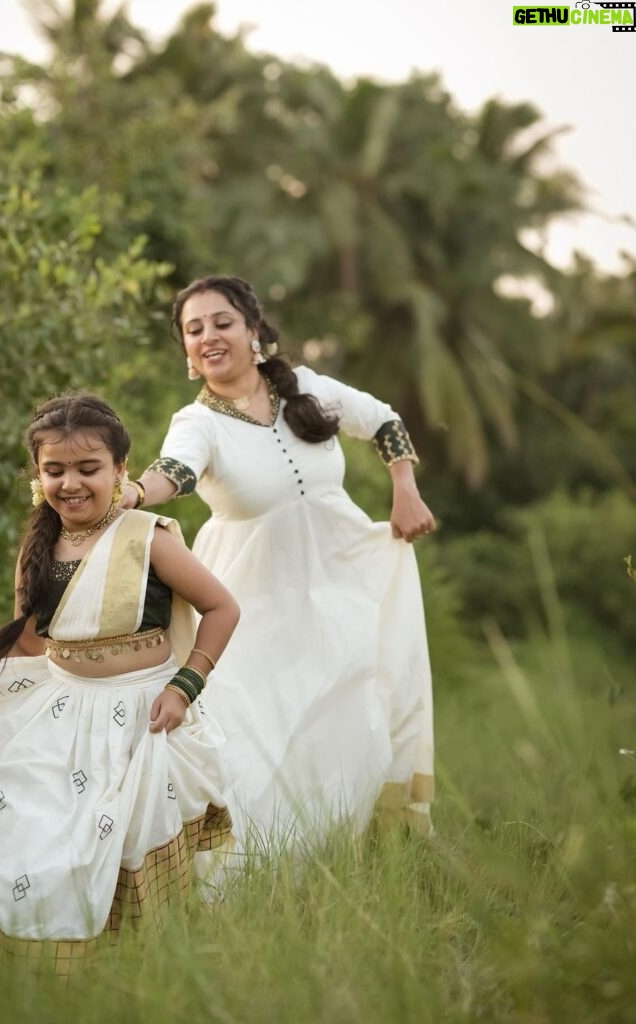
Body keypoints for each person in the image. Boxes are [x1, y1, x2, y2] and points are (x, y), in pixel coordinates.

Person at [0, 392, 239, 976]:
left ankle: (151, 973)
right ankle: (58, 971)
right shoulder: (38, 549)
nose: (71, 483)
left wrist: (185, 686)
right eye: (55, 470)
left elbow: (222, 608)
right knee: (45, 843)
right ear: (37, 476)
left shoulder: (150, 537)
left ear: (121, 470)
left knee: (128, 843)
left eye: (88, 468)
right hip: (62, 713)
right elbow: (32, 641)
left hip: (143, 717)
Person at [120, 275, 436, 844]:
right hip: (256, 601)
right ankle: (252, 858)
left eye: (222, 323)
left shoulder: (305, 388)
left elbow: (385, 420)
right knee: (260, 730)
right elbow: (175, 471)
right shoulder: (198, 423)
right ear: (188, 355)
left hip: (344, 580)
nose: (209, 336)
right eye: (194, 330)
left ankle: (353, 845)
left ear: (253, 330)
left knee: (354, 714)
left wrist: (405, 490)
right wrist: (135, 493)